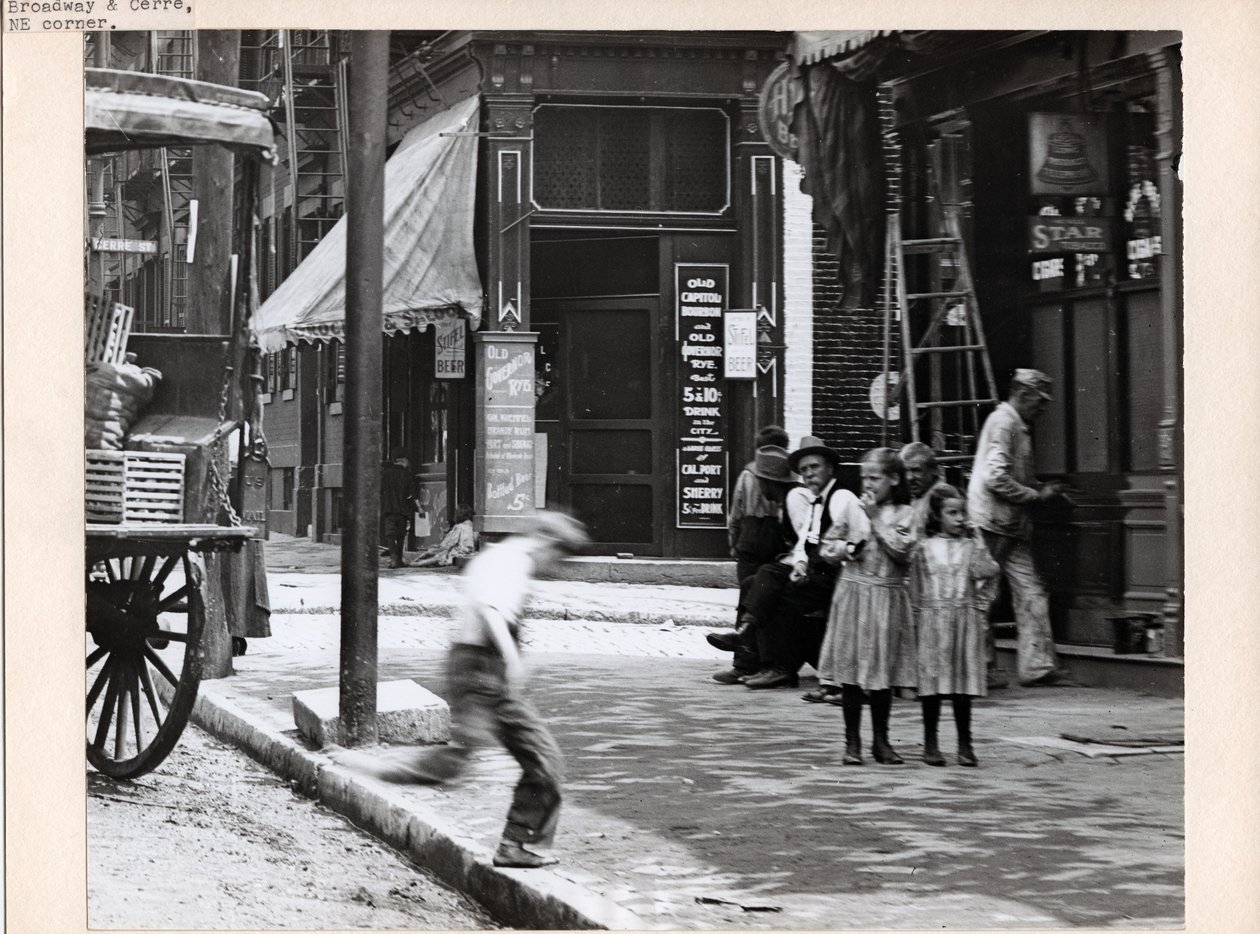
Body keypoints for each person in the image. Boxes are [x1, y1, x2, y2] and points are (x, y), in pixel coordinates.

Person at [333, 511, 590, 869]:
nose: (555, 567)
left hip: (476, 668)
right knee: (535, 759)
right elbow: (491, 610)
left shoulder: (502, 558)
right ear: (546, 542)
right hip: (482, 668)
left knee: (482, 761)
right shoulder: (509, 561)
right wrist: (513, 660)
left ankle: (518, 843)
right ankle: (519, 843)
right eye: (558, 557)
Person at [967, 369, 1071, 687]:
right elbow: (995, 477)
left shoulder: (1014, 423)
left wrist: (1038, 489)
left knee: (1032, 592)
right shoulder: (1005, 422)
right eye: (1040, 401)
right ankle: (981, 669)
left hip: (1009, 524)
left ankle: (1036, 667)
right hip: (994, 523)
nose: (1042, 409)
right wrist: (1036, 494)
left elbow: (1008, 476)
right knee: (984, 596)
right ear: (1024, 394)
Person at [815, 448, 916, 765]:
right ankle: (852, 743)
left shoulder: (906, 515)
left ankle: (882, 742)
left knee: (882, 673)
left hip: (886, 598)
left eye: (875, 478)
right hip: (854, 595)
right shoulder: (851, 508)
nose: (868, 484)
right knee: (852, 673)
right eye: (864, 478)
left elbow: (902, 552)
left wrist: (875, 521)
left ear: (894, 479)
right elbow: (827, 546)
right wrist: (846, 549)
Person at [742, 436, 864, 690]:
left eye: (814, 467)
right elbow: (803, 544)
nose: (809, 474)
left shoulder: (842, 498)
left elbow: (861, 539)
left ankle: (778, 665)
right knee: (760, 581)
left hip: (838, 578)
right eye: (805, 470)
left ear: (830, 468)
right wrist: (799, 564)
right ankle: (769, 660)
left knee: (772, 591)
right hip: (815, 574)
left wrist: (836, 556)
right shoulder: (813, 501)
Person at [902, 440, 1008, 692]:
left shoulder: (942, 494)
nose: (910, 477)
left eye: (916, 470)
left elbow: (962, 529)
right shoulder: (917, 498)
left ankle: (982, 669)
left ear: (932, 471)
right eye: (906, 471)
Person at [910, 484, 1001, 767]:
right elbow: (913, 588)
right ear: (937, 516)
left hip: (963, 620)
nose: (960, 518)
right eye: (952, 513)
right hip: (932, 622)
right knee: (932, 687)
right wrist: (916, 620)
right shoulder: (922, 548)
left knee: (962, 686)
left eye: (963, 513)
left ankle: (965, 743)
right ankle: (931, 743)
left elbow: (989, 572)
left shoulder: (971, 547)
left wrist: (979, 606)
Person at [709, 435, 798, 684]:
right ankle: (752, 662)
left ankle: (747, 664)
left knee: (752, 599)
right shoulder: (786, 484)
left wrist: (734, 542)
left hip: (753, 539)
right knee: (754, 599)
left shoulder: (750, 476)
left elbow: (735, 513)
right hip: (770, 542)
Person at [379, 447, 417, 569]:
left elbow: (380, 490)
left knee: (390, 535)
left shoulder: (385, 474)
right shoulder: (407, 474)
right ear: (404, 460)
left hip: (389, 509)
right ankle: (399, 559)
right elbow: (412, 494)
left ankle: (393, 559)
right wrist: (419, 508)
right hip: (402, 510)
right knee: (401, 535)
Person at [409, 503, 477, 568]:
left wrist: (440, 547)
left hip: (458, 552)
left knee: (437, 554)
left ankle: (416, 563)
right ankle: (416, 562)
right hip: (468, 552)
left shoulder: (460, 527)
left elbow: (450, 543)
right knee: (437, 553)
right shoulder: (473, 526)